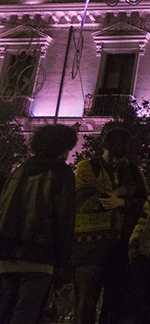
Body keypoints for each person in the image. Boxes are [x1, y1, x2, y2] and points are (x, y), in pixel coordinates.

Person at [0, 124, 78, 324]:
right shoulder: (62, 173)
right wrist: (64, 263)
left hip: (6, 252)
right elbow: (64, 218)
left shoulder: (19, 170)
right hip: (40, 255)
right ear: (62, 147)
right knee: (27, 312)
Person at [73, 127, 147, 324]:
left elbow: (144, 203)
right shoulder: (86, 167)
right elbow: (84, 202)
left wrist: (122, 202)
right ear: (104, 148)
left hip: (120, 247)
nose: (115, 160)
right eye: (113, 155)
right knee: (84, 306)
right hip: (89, 249)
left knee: (115, 305)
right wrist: (119, 192)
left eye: (120, 157)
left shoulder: (132, 170)